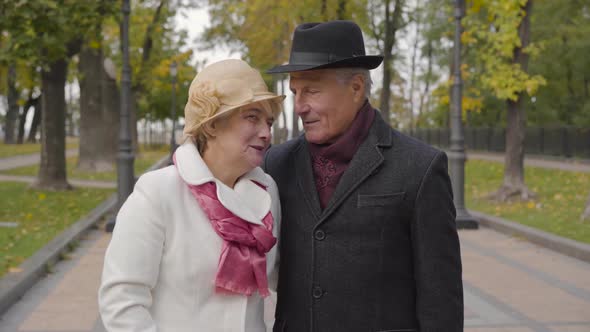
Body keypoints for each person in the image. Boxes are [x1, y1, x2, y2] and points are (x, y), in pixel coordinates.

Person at [264, 20, 463, 332]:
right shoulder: (275, 164)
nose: (300, 106)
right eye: (294, 92)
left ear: (356, 88)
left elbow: (441, 300)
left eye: (312, 90)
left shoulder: (420, 167)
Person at [99, 59, 285, 332]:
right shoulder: (158, 192)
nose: (266, 133)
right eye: (252, 117)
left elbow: (277, 283)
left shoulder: (268, 191)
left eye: (268, 121)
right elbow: (121, 303)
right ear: (211, 125)